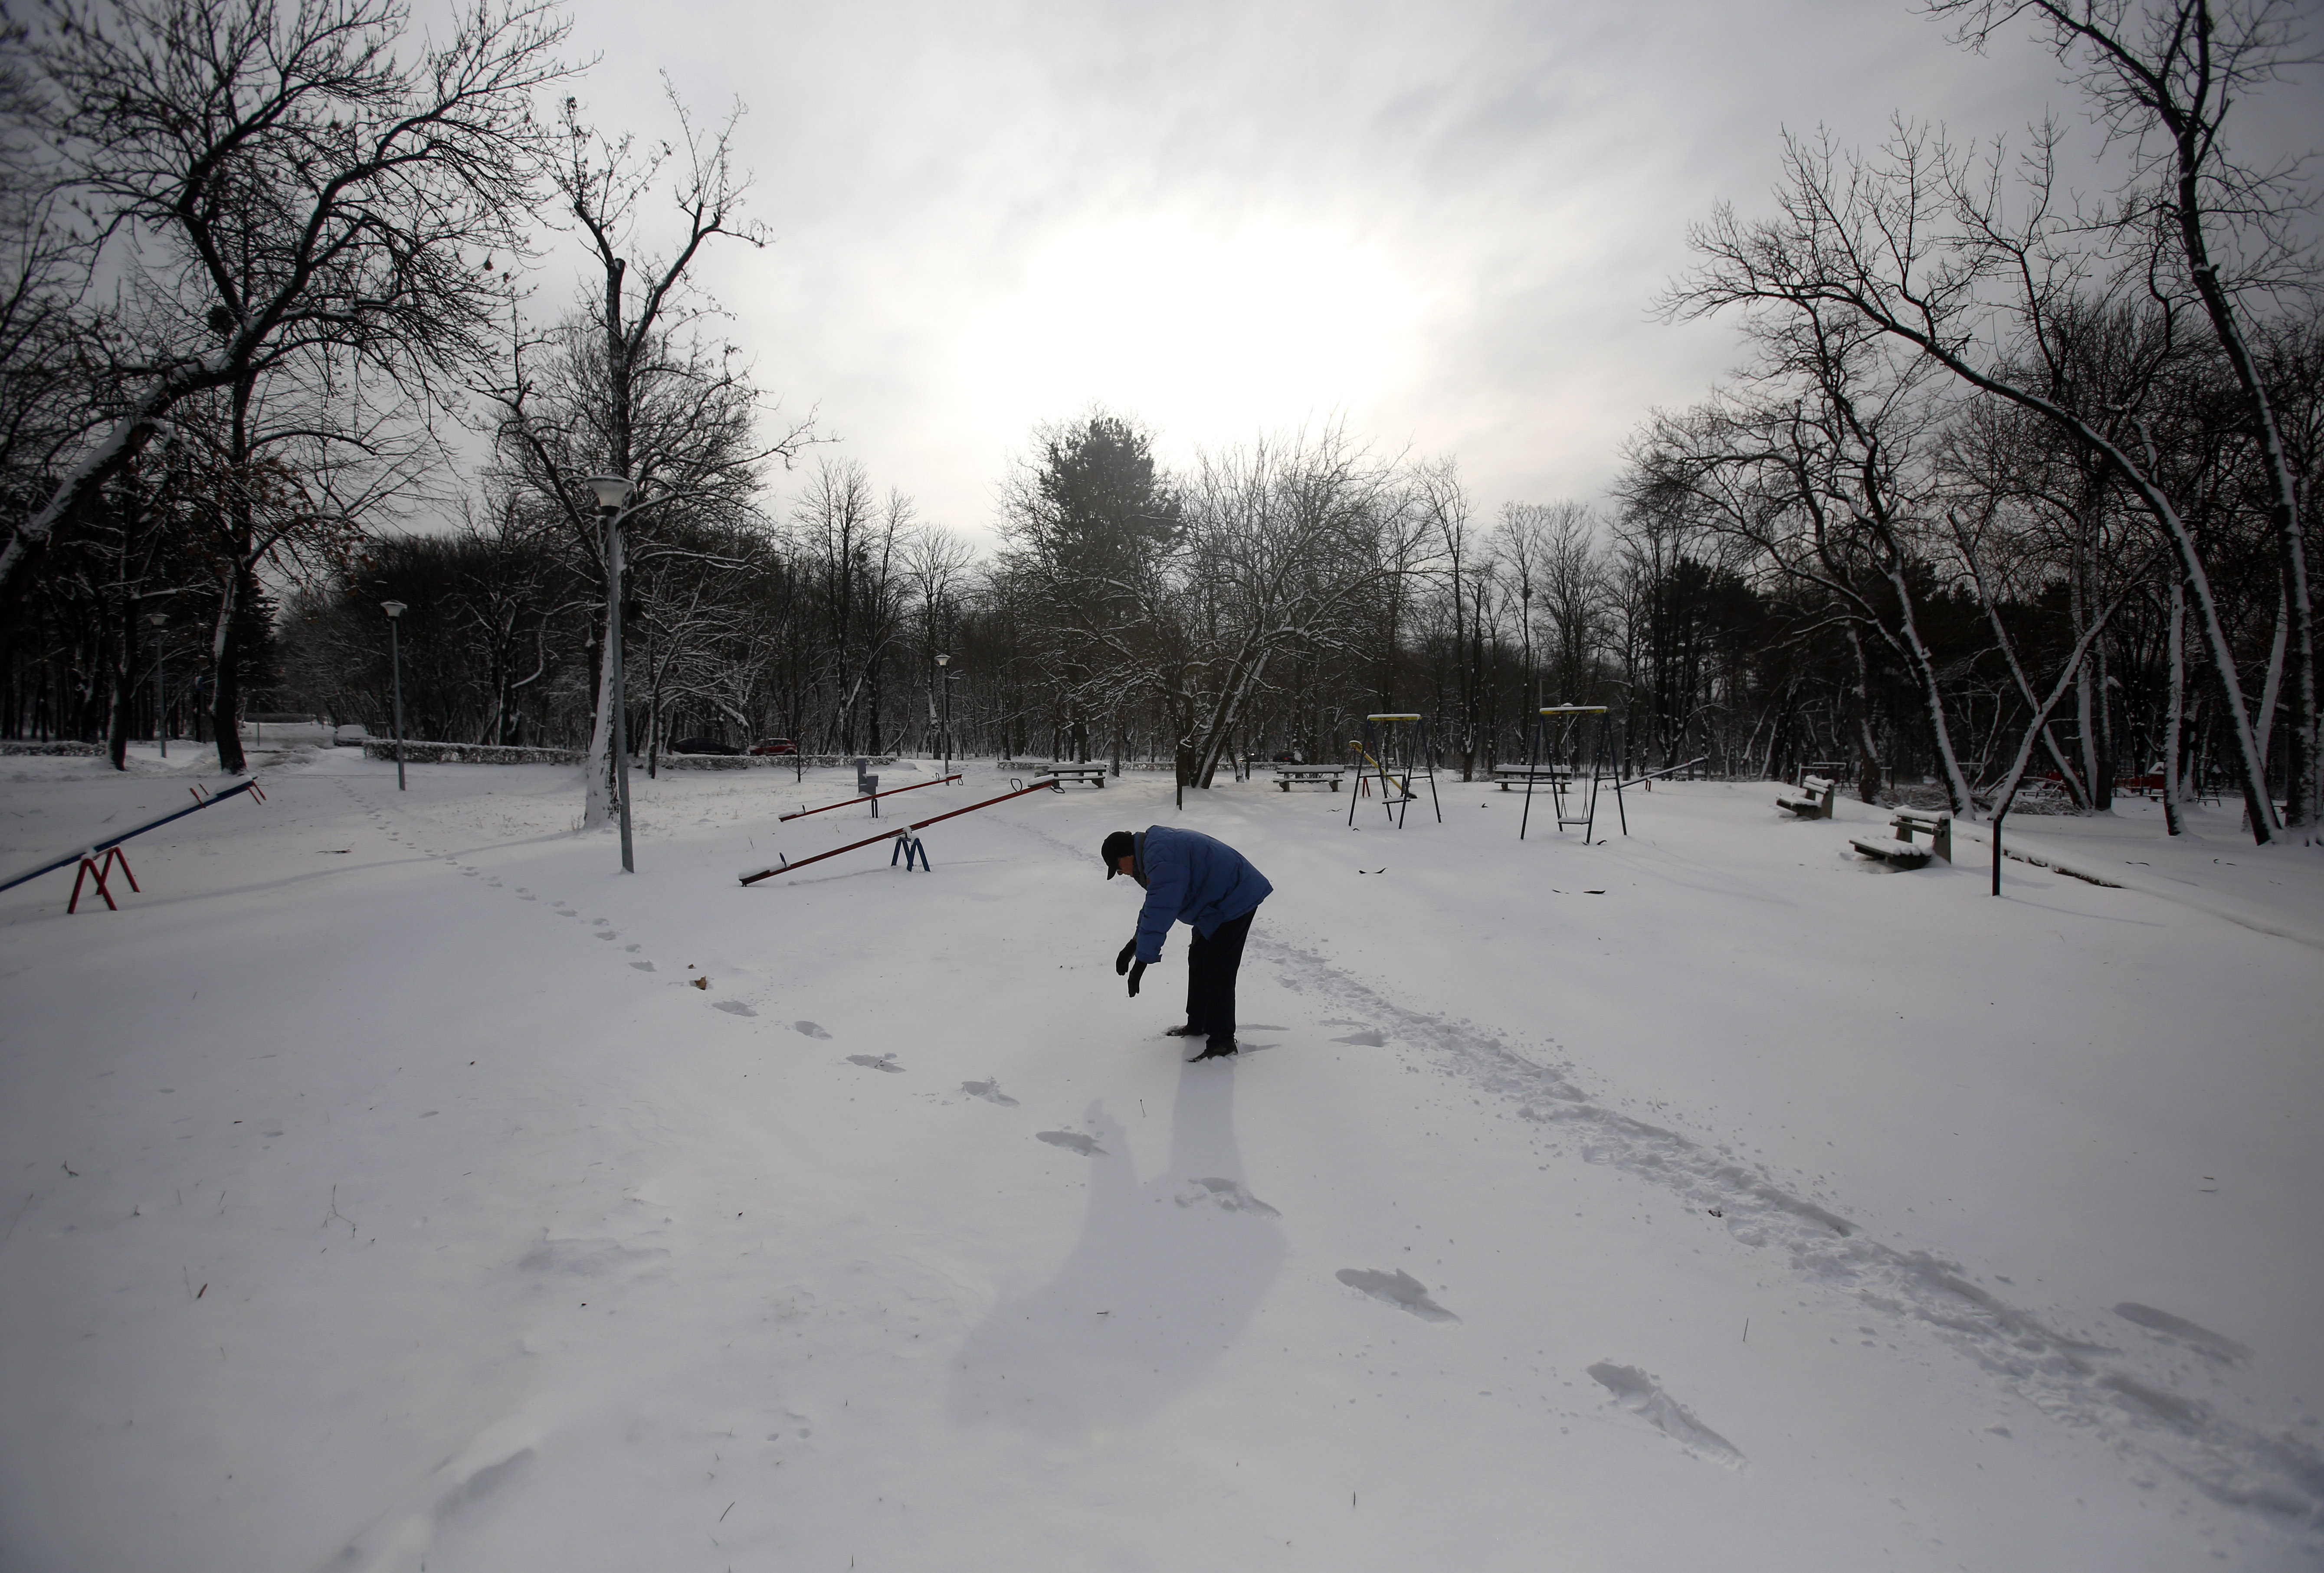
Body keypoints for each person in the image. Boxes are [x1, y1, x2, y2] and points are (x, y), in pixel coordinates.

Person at [1103, 826, 1272, 1062]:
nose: (1121, 874)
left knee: (1218, 968)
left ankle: (1222, 1042)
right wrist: (1133, 945)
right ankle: (1198, 1024)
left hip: (1235, 897)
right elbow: (1155, 905)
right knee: (1199, 958)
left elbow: (1162, 909)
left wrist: (1141, 963)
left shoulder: (1161, 859)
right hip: (1214, 905)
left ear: (1126, 856)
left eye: (1118, 868)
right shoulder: (1153, 851)